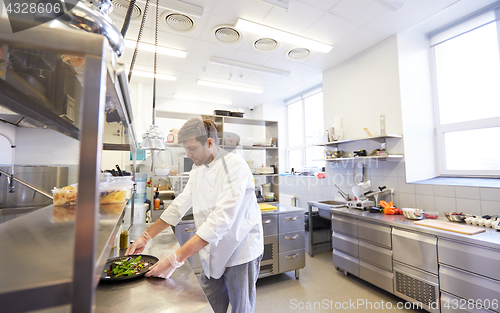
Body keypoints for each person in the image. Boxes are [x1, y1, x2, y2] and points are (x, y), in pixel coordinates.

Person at [126, 118, 263, 313]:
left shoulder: (235, 166)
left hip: (240, 250)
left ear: (209, 143)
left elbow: (220, 220)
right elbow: (181, 203)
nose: (188, 155)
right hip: (211, 250)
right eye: (186, 150)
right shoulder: (199, 168)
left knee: (241, 308)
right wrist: (146, 236)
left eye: (192, 149)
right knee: (209, 306)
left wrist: (174, 259)